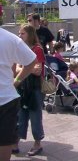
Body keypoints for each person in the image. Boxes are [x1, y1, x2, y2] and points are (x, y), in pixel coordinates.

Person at [0, 26, 36, 161]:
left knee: (4, 141)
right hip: (6, 98)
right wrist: (17, 81)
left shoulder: (11, 39)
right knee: (4, 140)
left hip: (6, 99)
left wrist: (16, 80)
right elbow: (31, 61)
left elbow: (31, 61)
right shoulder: (11, 39)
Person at [14, 24, 46, 156]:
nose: (19, 36)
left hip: (35, 87)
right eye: (19, 33)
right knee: (20, 115)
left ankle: (37, 143)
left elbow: (38, 72)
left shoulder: (37, 49)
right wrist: (28, 69)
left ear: (30, 35)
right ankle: (15, 142)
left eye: (22, 33)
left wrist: (24, 68)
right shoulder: (21, 49)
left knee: (35, 115)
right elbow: (16, 68)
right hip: (22, 86)